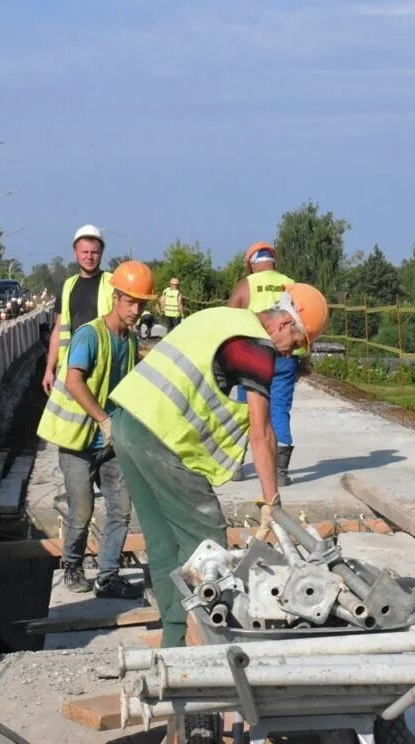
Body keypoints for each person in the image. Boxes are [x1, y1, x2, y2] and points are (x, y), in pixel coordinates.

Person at [108, 283, 329, 647]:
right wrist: (271, 503)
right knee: (205, 535)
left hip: (128, 424)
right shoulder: (257, 347)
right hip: (162, 434)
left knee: (162, 540)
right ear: (286, 325)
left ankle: (174, 638)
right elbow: (262, 432)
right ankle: (202, 645)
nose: (293, 352)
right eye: (299, 343)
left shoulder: (223, 317)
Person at [36, 260, 155, 598]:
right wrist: (104, 419)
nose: (135, 310)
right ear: (115, 298)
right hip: (79, 443)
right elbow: (74, 381)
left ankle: (108, 575)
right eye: (130, 301)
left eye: (141, 304)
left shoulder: (130, 342)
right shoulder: (90, 335)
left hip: (112, 442)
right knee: (82, 510)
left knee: (120, 508)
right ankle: (72, 563)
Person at [227, 242, 302, 485]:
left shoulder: (246, 285)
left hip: (251, 357)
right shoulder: (292, 284)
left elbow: (227, 320)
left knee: (244, 409)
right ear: (273, 261)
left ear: (251, 263)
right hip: (286, 355)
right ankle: (279, 472)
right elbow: (304, 325)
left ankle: (235, 467)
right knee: (279, 408)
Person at [42, 225, 114, 395]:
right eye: (84, 252)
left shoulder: (112, 283)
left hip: (105, 367)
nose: (89, 257)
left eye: (94, 252)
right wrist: (49, 369)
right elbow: (59, 329)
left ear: (101, 253)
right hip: (71, 368)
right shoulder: (68, 286)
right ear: (75, 253)